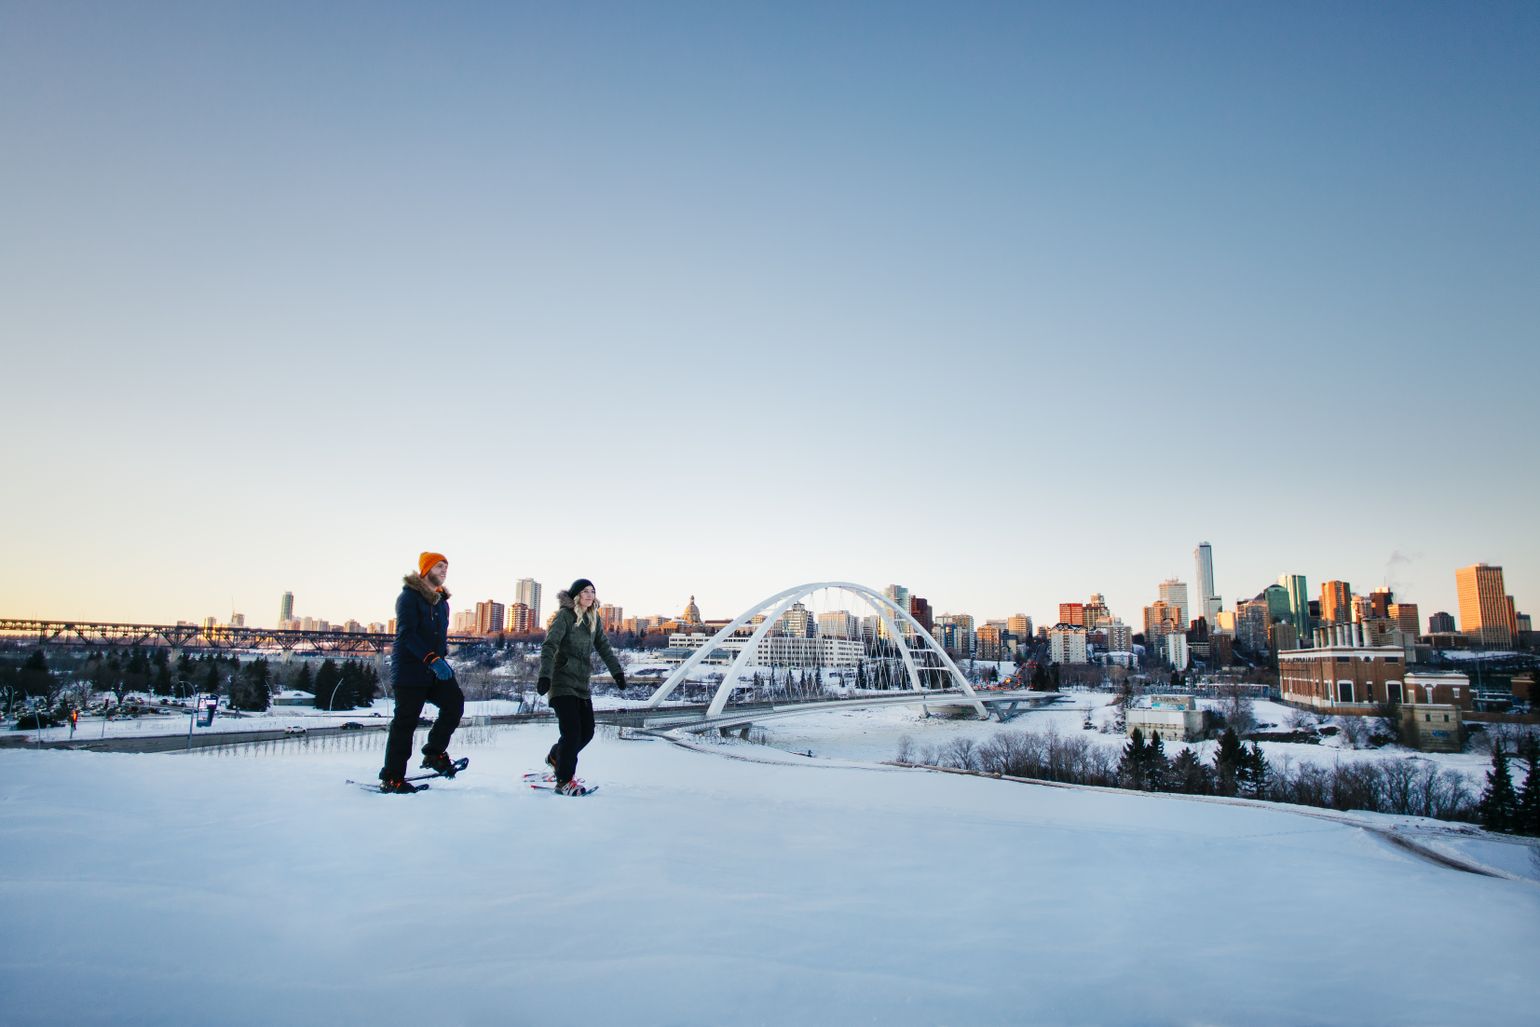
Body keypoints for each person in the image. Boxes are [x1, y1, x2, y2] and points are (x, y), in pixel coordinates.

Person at [379, 551, 465, 793]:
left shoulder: (442, 603)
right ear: (426, 569)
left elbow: (438, 637)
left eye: (446, 567)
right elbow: (407, 634)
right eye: (439, 566)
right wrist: (432, 659)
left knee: (455, 703)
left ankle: (434, 753)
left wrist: (441, 660)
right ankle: (392, 777)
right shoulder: (408, 598)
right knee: (405, 723)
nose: (444, 570)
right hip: (410, 670)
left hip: (434, 670)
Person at [538, 578, 626, 795]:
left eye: (592, 591)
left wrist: (617, 672)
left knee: (587, 732)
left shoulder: (593, 618)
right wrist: (545, 676)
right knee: (572, 733)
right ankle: (564, 781)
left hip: (581, 684)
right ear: (576, 595)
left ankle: (556, 757)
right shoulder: (565, 617)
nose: (589, 595)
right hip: (561, 683)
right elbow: (550, 645)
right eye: (585, 591)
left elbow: (603, 647)